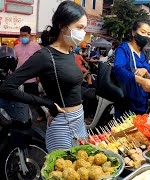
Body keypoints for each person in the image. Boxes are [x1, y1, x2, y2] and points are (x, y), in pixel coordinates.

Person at [0, 1, 88, 152]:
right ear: (62, 25)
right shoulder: (44, 56)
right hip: (63, 125)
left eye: (84, 28)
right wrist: (47, 103)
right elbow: (6, 88)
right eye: (79, 27)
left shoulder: (70, 52)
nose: (83, 33)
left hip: (79, 120)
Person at [113, 20, 150, 118]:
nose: (146, 36)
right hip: (127, 103)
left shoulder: (144, 54)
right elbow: (118, 69)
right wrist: (140, 80)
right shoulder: (124, 48)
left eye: (148, 34)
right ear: (133, 33)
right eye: (143, 32)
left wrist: (145, 72)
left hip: (143, 102)